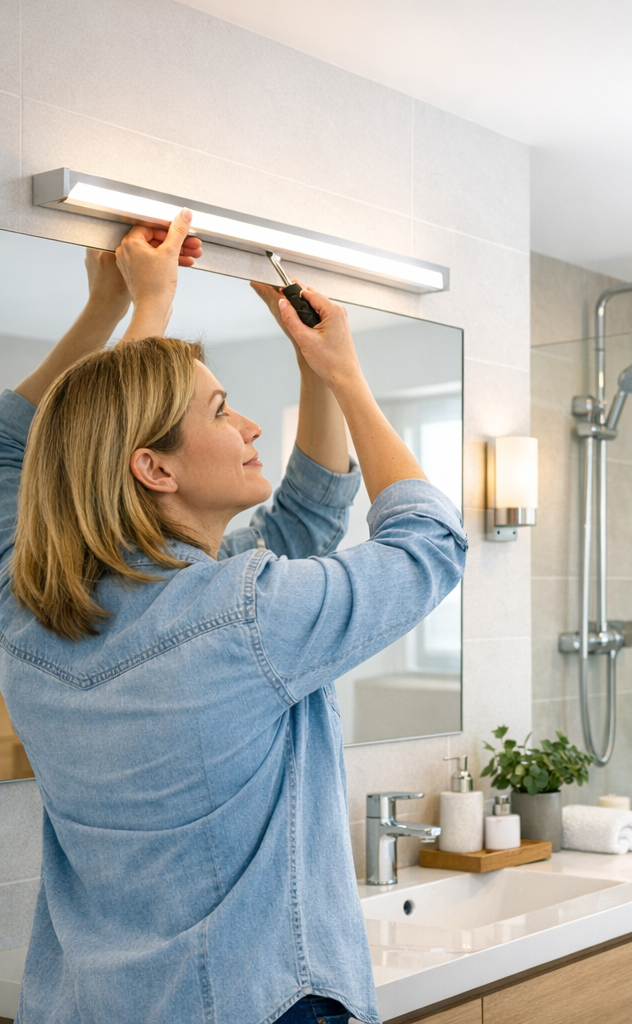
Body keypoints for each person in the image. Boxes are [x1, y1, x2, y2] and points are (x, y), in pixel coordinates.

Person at [0, 211, 467, 1024]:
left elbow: (18, 450)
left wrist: (118, 308)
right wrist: (347, 376)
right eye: (221, 410)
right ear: (153, 467)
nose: (248, 426)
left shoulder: (26, 612)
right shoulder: (244, 615)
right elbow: (429, 543)